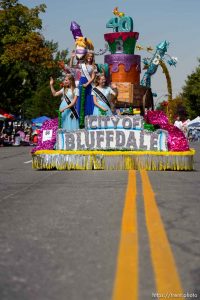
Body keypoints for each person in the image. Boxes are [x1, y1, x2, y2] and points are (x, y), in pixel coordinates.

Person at [71, 51, 97, 127]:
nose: (90, 57)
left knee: (89, 100)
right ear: (86, 57)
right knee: (80, 100)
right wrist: (72, 57)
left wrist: (87, 84)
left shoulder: (94, 67)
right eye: (89, 56)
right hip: (82, 83)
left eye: (91, 56)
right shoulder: (82, 65)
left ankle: (89, 120)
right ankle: (79, 121)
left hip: (88, 84)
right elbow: (71, 66)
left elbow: (93, 77)